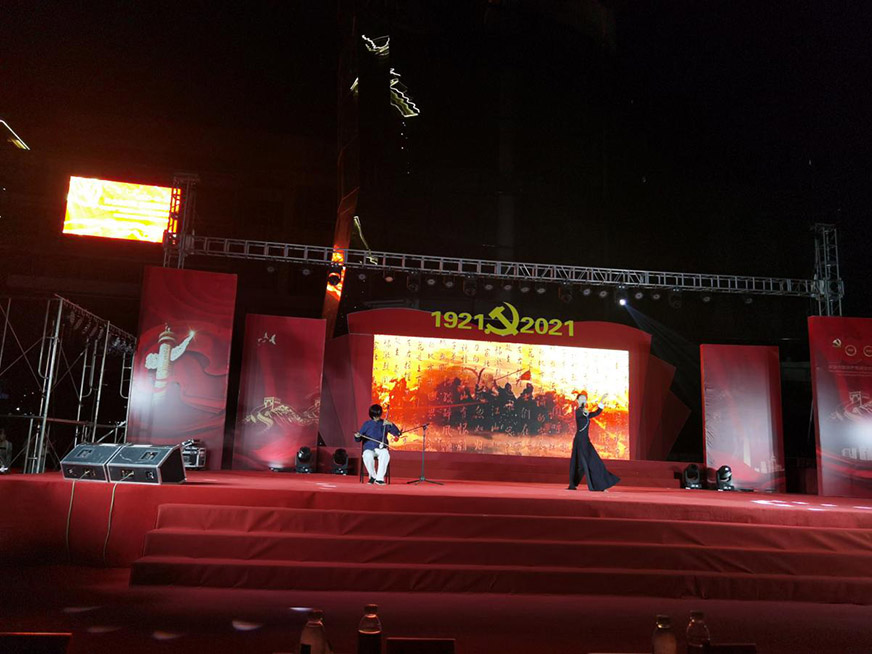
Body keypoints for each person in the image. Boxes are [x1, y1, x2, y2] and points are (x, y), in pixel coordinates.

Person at [568, 392, 620, 491]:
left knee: (593, 462)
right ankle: (592, 485)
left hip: (585, 441)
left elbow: (596, 413)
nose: (583, 400)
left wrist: (602, 400)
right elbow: (584, 412)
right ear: (577, 401)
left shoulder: (585, 412)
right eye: (581, 399)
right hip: (580, 441)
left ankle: (599, 485)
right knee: (581, 463)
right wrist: (585, 410)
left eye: (585, 399)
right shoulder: (578, 411)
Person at [355, 404, 401, 485]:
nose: (377, 418)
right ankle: (373, 476)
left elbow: (397, 433)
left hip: (381, 448)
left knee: (385, 454)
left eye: (378, 415)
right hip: (369, 448)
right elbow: (358, 439)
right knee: (367, 455)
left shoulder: (384, 423)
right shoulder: (367, 424)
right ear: (371, 415)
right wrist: (357, 436)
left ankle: (379, 479)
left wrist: (391, 424)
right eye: (375, 416)